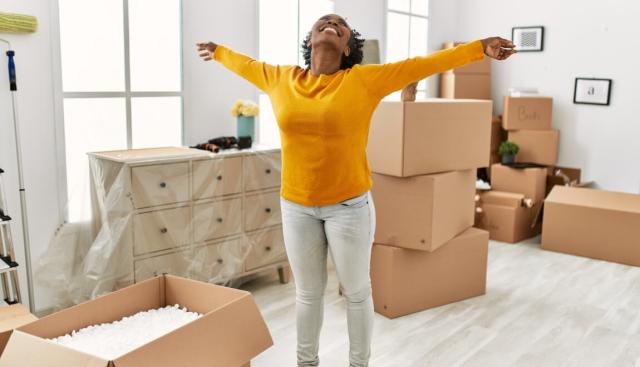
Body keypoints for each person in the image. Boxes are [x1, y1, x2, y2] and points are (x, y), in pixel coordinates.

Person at [197, 13, 515, 367]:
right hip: (296, 207)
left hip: (348, 207)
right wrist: (219, 51)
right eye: (324, 20)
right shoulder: (281, 78)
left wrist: (478, 48)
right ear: (310, 40)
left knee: (357, 293)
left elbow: (422, 63)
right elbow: (247, 64)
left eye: (340, 23)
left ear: (348, 46)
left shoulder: (363, 81)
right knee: (308, 294)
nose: (332, 21)